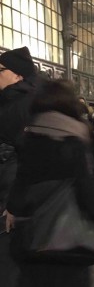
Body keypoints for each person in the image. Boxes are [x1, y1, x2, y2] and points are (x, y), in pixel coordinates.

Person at [6, 79, 94, 287]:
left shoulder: (29, 136)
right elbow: (87, 193)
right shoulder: (73, 138)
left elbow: (20, 184)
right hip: (66, 241)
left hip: (32, 239)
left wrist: (12, 209)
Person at [0, 46, 40, 287]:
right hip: (11, 197)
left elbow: (32, 160)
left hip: (11, 203)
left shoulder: (24, 106)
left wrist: (15, 204)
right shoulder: (11, 102)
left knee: (10, 264)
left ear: (17, 75)